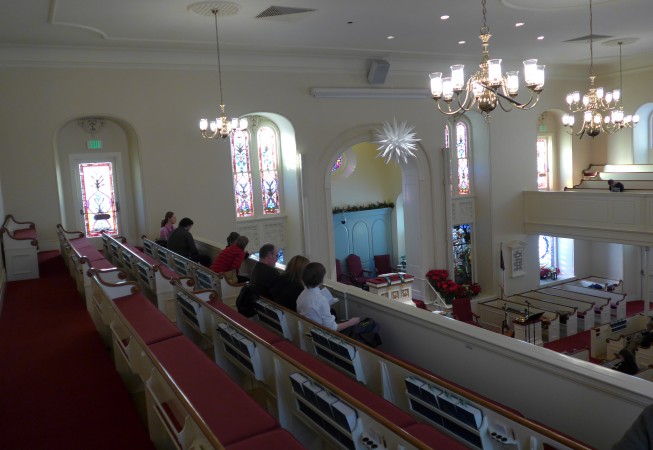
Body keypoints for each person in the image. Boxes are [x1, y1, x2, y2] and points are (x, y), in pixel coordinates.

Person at [297, 262, 360, 332]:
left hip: (306, 329)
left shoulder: (302, 294)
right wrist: (351, 322)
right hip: (319, 333)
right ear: (321, 280)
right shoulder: (321, 300)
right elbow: (332, 328)